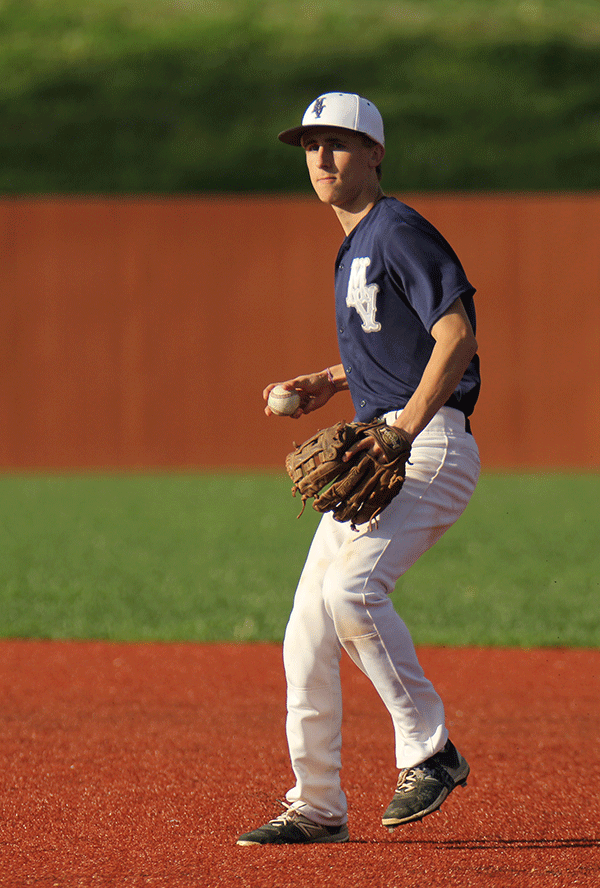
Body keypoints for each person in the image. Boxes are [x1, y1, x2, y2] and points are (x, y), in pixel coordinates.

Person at [237, 92, 481, 846]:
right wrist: (329, 381)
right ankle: (316, 805)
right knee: (305, 634)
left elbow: (456, 336)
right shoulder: (355, 244)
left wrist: (401, 431)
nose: (321, 159)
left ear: (374, 154)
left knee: (352, 591)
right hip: (385, 434)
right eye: (311, 147)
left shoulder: (397, 229)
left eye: (338, 144)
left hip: (426, 442)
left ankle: (430, 753)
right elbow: (394, 344)